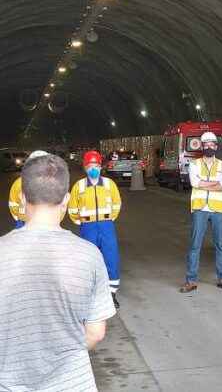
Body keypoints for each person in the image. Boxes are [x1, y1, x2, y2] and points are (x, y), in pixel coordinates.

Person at [0, 154, 115, 391]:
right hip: (73, 383)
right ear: (66, 199)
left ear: (22, 198)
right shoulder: (89, 254)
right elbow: (96, 333)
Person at [180, 132, 222, 292]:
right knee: (195, 244)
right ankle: (191, 280)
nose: (209, 147)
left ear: (216, 147)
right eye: (206, 144)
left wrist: (203, 183)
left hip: (218, 209)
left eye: (212, 144)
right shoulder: (195, 164)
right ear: (202, 146)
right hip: (200, 208)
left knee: (220, 244)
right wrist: (213, 183)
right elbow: (194, 182)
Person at [69, 150, 123, 308]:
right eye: (91, 166)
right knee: (89, 261)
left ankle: (111, 294)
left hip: (106, 226)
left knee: (111, 259)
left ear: (101, 167)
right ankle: (91, 294)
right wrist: (81, 223)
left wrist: (109, 218)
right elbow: (72, 208)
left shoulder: (109, 184)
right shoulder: (78, 186)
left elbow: (117, 203)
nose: (94, 169)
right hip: (88, 228)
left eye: (97, 165)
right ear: (85, 167)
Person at [8, 150, 49, 228]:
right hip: (24, 222)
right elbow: (13, 203)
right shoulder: (19, 183)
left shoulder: (53, 183)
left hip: (45, 222)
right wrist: (19, 218)